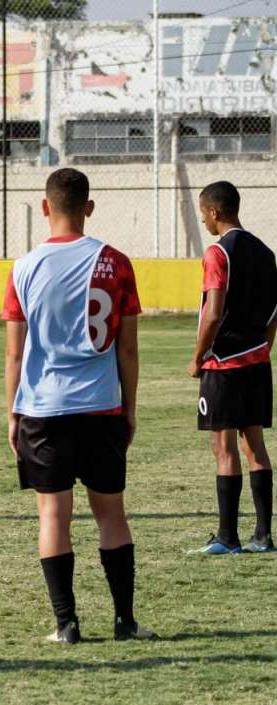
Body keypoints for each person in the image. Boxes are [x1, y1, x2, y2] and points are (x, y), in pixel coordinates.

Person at [3, 168, 154, 644]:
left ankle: (66, 625)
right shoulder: (117, 262)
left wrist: (13, 413)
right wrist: (129, 407)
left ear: (45, 208)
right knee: (111, 514)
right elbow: (127, 349)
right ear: (89, 207)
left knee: (53, 515)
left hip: (42, 409)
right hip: (102, 407)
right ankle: (125, 622)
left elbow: (13, 351)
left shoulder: (23, 267)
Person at [187, 181, 277, 554]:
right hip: (257, 361)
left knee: (223, 447)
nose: (204, 220)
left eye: (203, 212)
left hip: (222, 363)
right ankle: (263, 536)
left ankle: (227, 537)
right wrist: (263, 346)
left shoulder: (217, 253)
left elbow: (213, 311)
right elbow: (275, 312)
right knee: (255, 445)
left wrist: (198, 357)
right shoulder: (266, 252)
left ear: (214, 212)